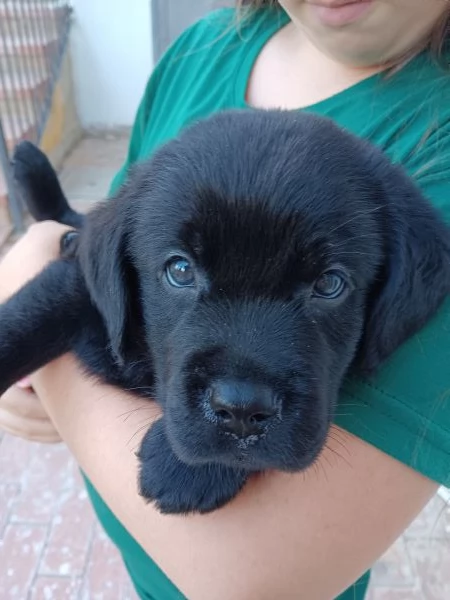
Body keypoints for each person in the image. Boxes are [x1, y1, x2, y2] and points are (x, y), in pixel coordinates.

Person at [0, 1, 449, 598]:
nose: (239, 394)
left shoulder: (431, 159)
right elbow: (98, 268)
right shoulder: (199, 53)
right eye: (183, 270)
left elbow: (250, 581)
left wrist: (50, 341)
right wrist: (55, 245)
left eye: (327, 284)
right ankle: (59, 212)